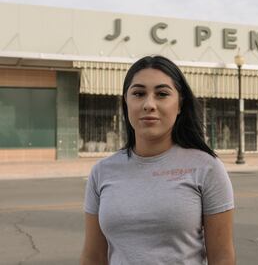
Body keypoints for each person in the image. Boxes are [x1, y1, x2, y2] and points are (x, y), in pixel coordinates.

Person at [80, 55, 235, 265]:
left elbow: (222, 257)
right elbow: (93, 256)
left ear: (179, 104)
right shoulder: (102, 172)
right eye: (138, 93)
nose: (149, 104)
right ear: (126, 103)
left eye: (162, 94)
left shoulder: (207, 168)